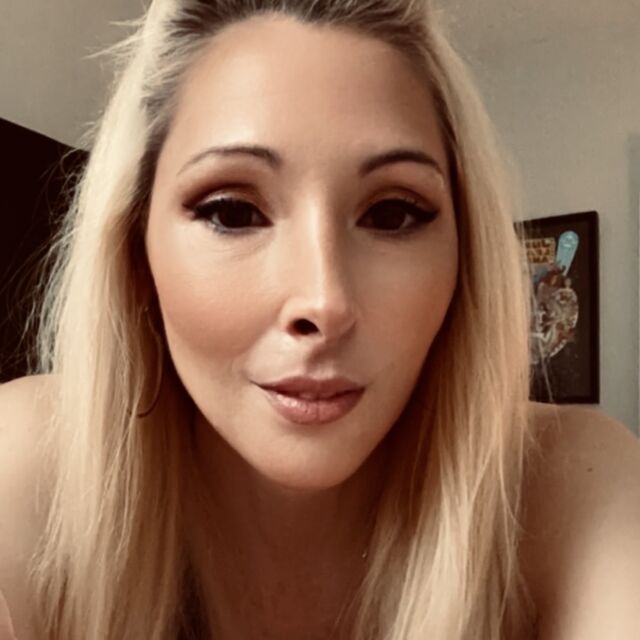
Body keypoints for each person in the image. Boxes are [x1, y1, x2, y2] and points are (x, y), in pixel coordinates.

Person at [1, 0, 639, 638]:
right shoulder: (29, 458)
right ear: (135, 252)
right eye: (232, 211)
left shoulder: (578, 489)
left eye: (392, 213)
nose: (324, 301)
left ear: (465, 258)